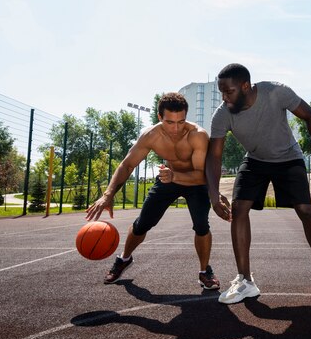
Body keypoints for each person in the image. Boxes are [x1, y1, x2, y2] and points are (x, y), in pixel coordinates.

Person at [205, 63, 311, 304]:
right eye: (222, 93)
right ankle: (245, 281)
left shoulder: (276, 92)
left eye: (229, 92)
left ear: (245, 86)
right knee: (239, 208)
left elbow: (310, 115)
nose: (225, 98)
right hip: (255, 160)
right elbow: (214, 157)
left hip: (289, 157)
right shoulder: (222, 114)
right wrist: (213, 196)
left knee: (305, 210)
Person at [86, 92, 220, 289]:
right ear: (159, 117)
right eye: (169, 122)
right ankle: (124, 258)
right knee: (142, 224)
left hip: (195, 182)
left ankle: (204, 271)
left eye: (181, 122)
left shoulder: (197, 135)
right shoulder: (151, 135)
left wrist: (176, 176)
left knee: (201, 225)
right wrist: (108, 194)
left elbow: (202, 175)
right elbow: (127, 165)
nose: (175, 128)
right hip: (168, 180)